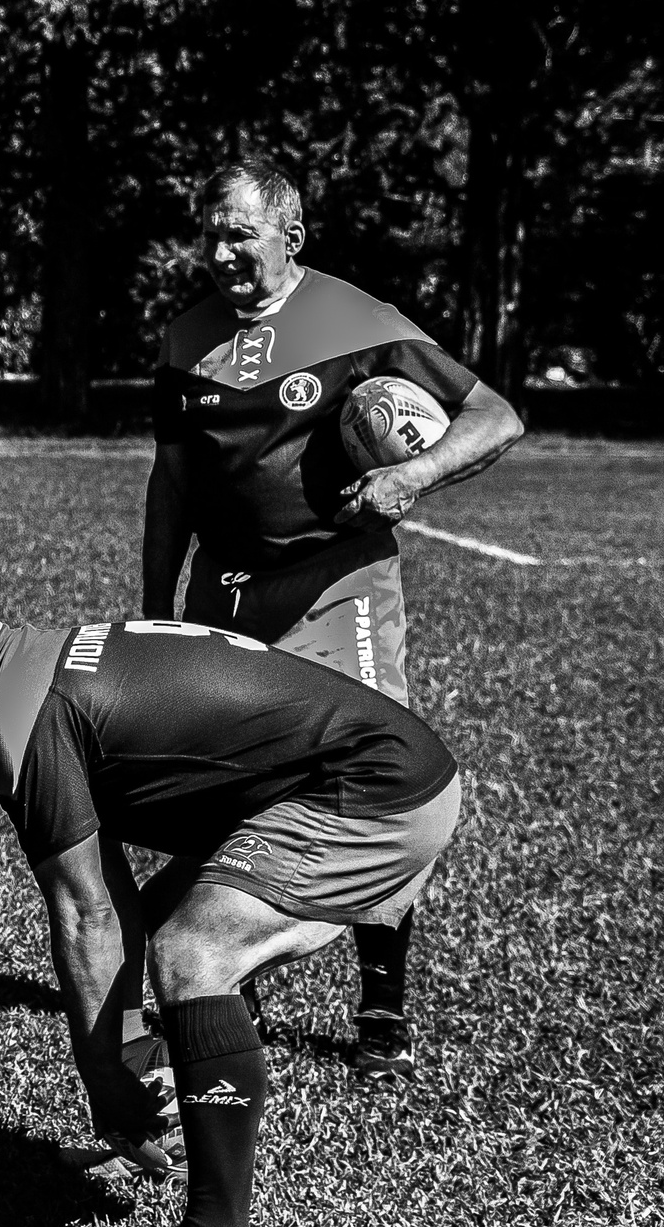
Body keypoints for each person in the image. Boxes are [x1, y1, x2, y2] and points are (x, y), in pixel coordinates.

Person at [0, 578, 463, 1227]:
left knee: (193, 952)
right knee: (161, 915)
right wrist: (119, 1073)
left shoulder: (21, 716)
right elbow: (112, 905)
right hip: (379, 769)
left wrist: (103, 1078)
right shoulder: (37, 663)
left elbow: (86, 915)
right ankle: (160, 1136)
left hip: (377, 792)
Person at [144, 157, 520, 1080]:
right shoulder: (183, 338)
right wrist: (157, 606)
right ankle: (230, 979)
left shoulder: (358, 320)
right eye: (210, 235)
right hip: (226, 593)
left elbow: (496, 416)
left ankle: (382, 1006)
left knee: (373, 771)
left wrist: (411, 475)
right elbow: (173, 483)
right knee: (234, 780)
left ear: (292, 237)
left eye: (240, 234)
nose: (220, 253)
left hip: (336, 587)